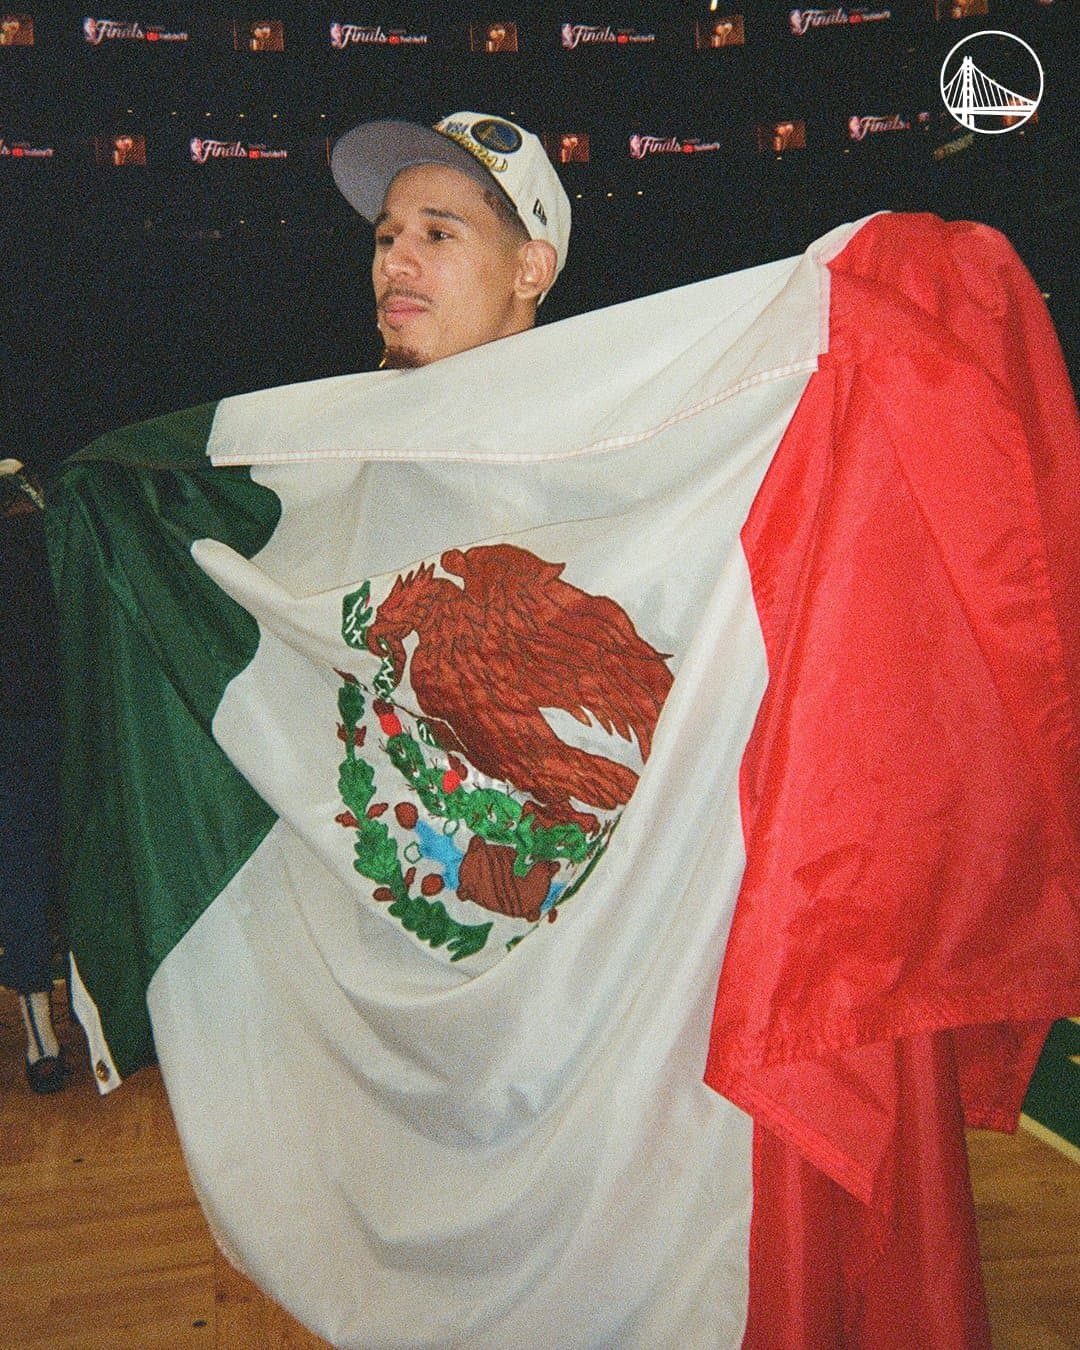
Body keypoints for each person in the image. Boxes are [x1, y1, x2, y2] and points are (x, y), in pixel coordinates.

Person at [330, 110, 571, 369]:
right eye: (387, 238)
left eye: (437, 235)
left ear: (530, 270)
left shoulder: (584, 408)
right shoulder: (337, 406)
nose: (391, 264)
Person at [0, 457, 70, 1094]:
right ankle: (74, 1022)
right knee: (70, 867)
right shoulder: (59, 547)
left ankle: (43, 1037)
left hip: (27, 737)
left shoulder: (54, 546)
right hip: (57, 727)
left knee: (24, 875)